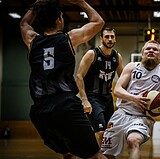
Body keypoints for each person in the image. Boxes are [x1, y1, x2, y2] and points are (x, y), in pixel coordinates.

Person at [20, 0, 107, 159]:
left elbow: (24, 23)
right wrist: (80, 2)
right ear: (59, 20)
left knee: (66, 153)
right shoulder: (69, 38)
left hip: (40, 111)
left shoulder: (32, 40)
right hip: (65, 105)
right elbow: (98, 22)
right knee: (95, 154)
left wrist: (36, 5)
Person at [100, 40, 160, 159]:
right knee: (107, 154)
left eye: (155, 49)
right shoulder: (132, 66)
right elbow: (117, 90)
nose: (151, 50)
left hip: (143, 117)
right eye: (148, 49)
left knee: (133, 141)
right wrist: (135, 98)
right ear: (142, 54)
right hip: (121, 114)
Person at [76, 27, 123, 146]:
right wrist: (84, 100)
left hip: (108, 98)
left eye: (112, 37)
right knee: (100, 132)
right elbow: (79, 76)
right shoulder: (92, 54)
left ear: (115, 39)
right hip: (93, 98)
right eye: (107, 36)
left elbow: (123, 79)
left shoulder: (117, 57)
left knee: (109, 133)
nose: (110, 39)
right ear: (101, 38)